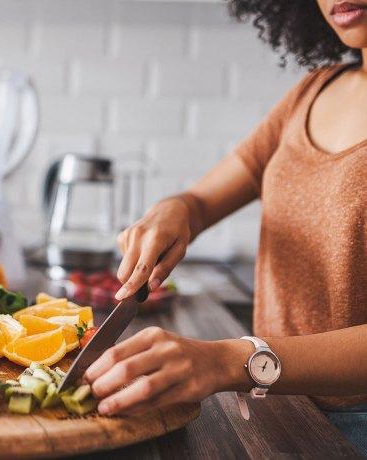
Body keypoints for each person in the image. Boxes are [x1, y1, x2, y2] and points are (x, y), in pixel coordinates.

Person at [83, 0, 367, 454]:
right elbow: (198, 202)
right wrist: (174, 209)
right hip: (274, 407)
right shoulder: (316, 89)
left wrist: (229, 360)